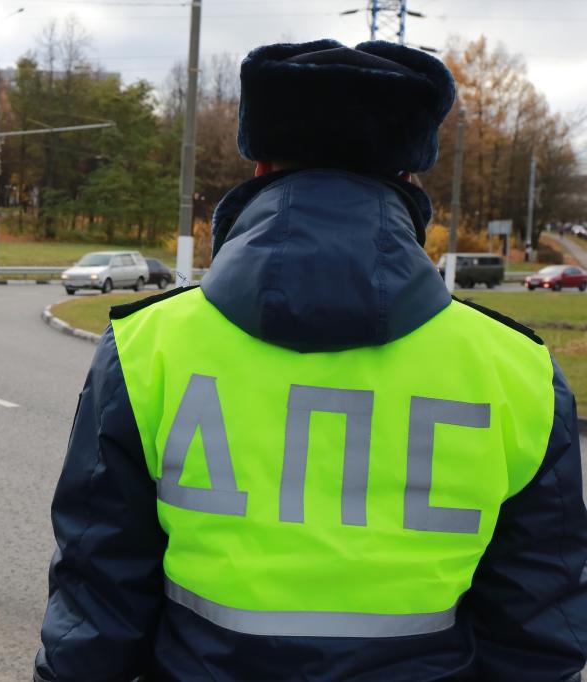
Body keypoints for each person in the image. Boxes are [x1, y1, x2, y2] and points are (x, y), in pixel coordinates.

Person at [33, 39, 587, 682]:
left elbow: (97, 606)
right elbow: (535, 636)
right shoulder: (516, 371)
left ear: (262, 167)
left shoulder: (147, 349)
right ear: (409, 180)